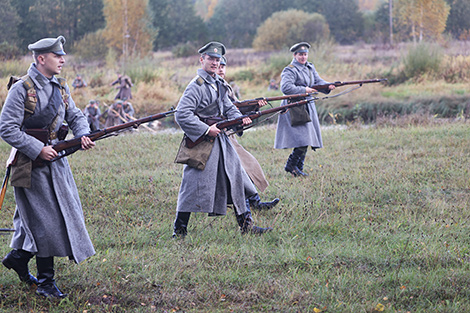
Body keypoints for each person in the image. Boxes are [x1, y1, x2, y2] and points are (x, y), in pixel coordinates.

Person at [0, 36, 96, 298]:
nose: (63, 60)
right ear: (41, 58)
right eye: (57, 56)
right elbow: (7, 128)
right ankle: (45, 282)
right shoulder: (22, 89)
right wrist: (37, 148)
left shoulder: (61, 87)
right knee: (46, 222)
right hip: (30, 167)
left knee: (36, 220)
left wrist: (83, 135)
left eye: (62, 55)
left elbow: (75, 116)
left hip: (56, 164)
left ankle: (18, 259)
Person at [173, 42, 272, 238]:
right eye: (211, 59)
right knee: (192, 186)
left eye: (217, 60)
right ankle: (179, 230)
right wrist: (205, 129)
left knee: (237, 178)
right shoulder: (196, 86)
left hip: (222, 141)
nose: (214, 63)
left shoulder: (218, 83)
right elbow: (181, 114)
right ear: (202, 60)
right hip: (202, 144)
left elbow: (228, 107)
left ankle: (246, 226)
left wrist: (240, 119)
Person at [217, 56, 279, 211]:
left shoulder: (225, 86)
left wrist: (254, 107)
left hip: (228, 134)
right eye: (218, 66)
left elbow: (236, 109)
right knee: (239, 168)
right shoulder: (208, 87)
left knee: (247, 165)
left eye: (223, 67)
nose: (220, 69)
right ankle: (249, 206)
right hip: (216, 136)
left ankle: (254, 202)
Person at [274, 42, 335, 177]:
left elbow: (318, 81)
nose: (303, 57)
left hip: (307, 106)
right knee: (303, 138)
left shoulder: (309, 67)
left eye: (305, 54)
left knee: (306, 139)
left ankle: (298, 168)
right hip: (294, 108)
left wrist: (328, 86)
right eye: (300, 54)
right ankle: (291, 165)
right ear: (295, 55)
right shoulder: (289, 70)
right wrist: (304, 90)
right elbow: (286, 88)